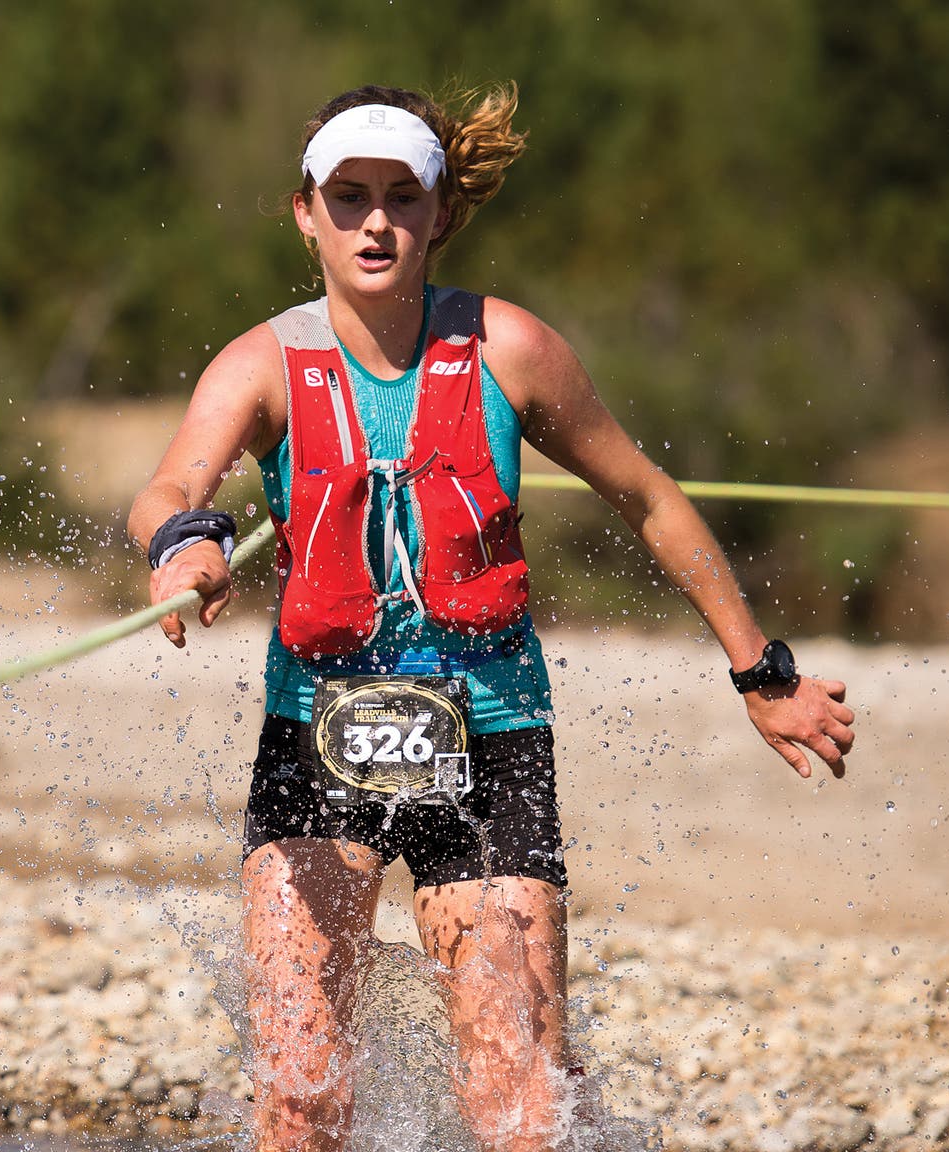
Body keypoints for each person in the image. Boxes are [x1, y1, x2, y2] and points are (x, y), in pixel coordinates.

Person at [128, 83, 856, 1152]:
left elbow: (647, 499)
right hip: (318, 740)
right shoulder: (260, 365)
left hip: (492, 739)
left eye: (400, 198)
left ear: (440, 214)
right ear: (305, 213)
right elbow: (166, 487)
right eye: (348, 196)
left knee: (519, 1111)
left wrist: (762, 673)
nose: (375, 222)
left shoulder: (510, 349)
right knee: (299, 1106)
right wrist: (181, 542)